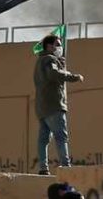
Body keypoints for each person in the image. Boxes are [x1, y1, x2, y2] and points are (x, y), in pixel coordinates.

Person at [34, 35, 85, 175]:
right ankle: (65, 166)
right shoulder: (49, 59)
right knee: (61, 137)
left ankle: (43, 168)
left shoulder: (39, 61)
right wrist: (74, 76)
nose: (59, 47)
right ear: (49, 46)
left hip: (41, 106)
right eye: (57, 44)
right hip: (54, 105)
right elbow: (53, 74)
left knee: (43, 139)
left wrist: (60, 64)